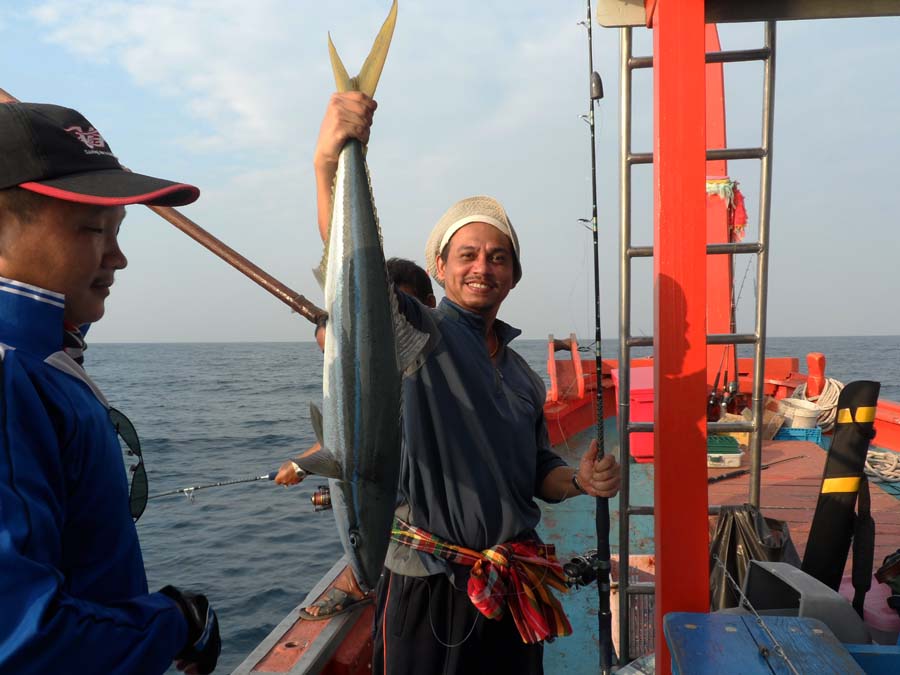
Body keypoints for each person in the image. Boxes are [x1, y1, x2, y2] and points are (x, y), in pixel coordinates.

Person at [308, 92, 621, 673]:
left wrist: (578, 480)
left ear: (514, 275)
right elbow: (353, 280)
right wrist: (330, 164)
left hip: (512, 583)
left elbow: (538, 475)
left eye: (499, 257)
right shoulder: (420, 334)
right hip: (429, 586)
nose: (483, 266)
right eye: (468, 254)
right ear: (442, 269)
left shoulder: (523, 375)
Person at [0, 102, 221, 674]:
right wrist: (176, 623)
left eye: (118, 230)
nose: (118, 257)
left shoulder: (43, 351)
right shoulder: (11, 376)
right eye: (93, 229)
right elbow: (22, 643)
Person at [274, 257, 436, 620]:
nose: (394, 328)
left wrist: (304, 464)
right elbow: (352, 438)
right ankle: (358, 580)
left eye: (403, 315)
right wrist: (301, 463)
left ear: (429, 307)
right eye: (388, 318)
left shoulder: (435, 367)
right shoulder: (374, 368)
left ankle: (358, 581)